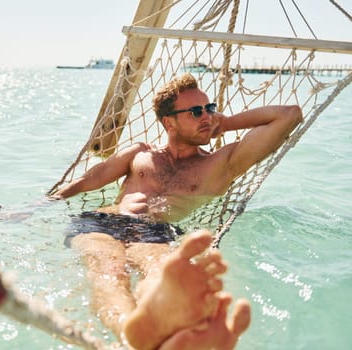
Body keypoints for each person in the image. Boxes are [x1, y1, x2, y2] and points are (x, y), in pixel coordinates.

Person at [51, 73, 302, 348]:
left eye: (210, 108)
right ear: (169, 121)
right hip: (102, 221)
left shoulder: (220, 165)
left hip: (154, 230)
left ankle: (155, 324)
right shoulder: (140, 153)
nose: (206, 117)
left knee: (161, 268)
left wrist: (227, 123)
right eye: (196, 111)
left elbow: (289, 115)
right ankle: (130, 332)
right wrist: (43, 203)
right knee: (108, 270)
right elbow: (92, 178)